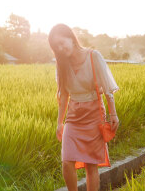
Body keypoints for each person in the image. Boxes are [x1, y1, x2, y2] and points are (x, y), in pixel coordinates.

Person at [48, 23, 120, 191]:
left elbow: (108, 89)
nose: (60, 48)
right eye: (56, 47)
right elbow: (64, 95)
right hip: (73, 117)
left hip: (94, 114)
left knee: (91, 165)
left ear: (71, 38)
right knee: (67, 162)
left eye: (61, 42)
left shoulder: (94, 56)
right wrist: (60, 123)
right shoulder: (62, 64)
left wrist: (113, 114)